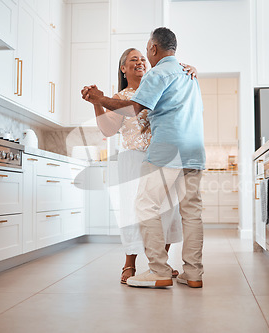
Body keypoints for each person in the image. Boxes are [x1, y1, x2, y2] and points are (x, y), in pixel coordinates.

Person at [82, 27, 206, 289]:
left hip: (165, 153)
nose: (141, 62)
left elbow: (136, 108)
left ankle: (159, 269)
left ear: (153, 49)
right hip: (191, 152)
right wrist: (100, 101)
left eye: (143, 55)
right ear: (123, 69)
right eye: (132, 60)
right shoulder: (186, 75)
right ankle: (193, 274)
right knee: (191, 213)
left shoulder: (160, 74)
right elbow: (111, 126)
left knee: (149, 209)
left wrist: (98, 97)